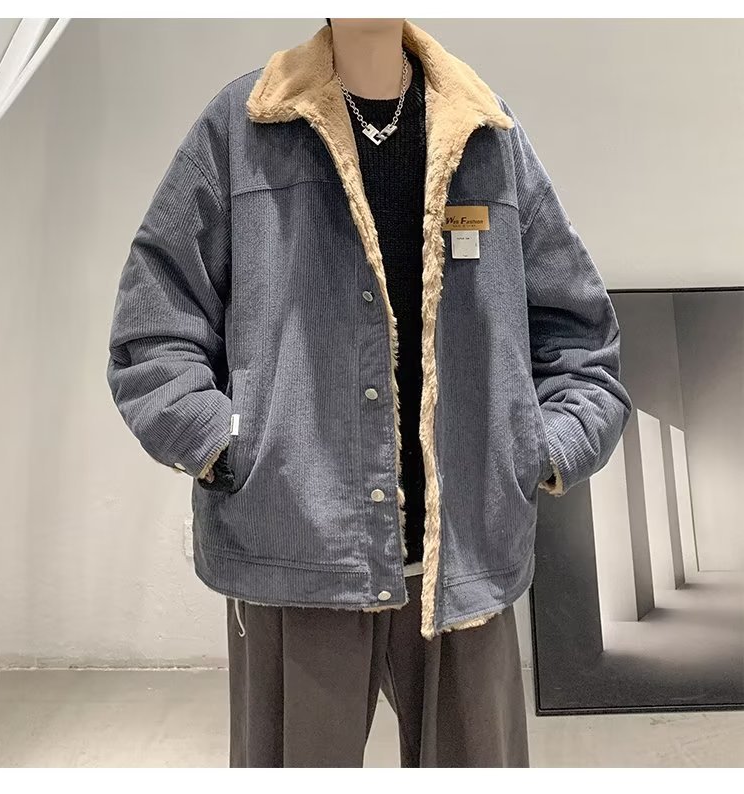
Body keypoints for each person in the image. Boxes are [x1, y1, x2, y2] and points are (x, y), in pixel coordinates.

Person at [106, 18, 633, 767]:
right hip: (295, 549)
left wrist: (536, 448)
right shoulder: (243, 126)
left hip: (464, 560)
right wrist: (227, 448)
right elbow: (152, 327)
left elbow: (581, 336)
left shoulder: (485, 133)